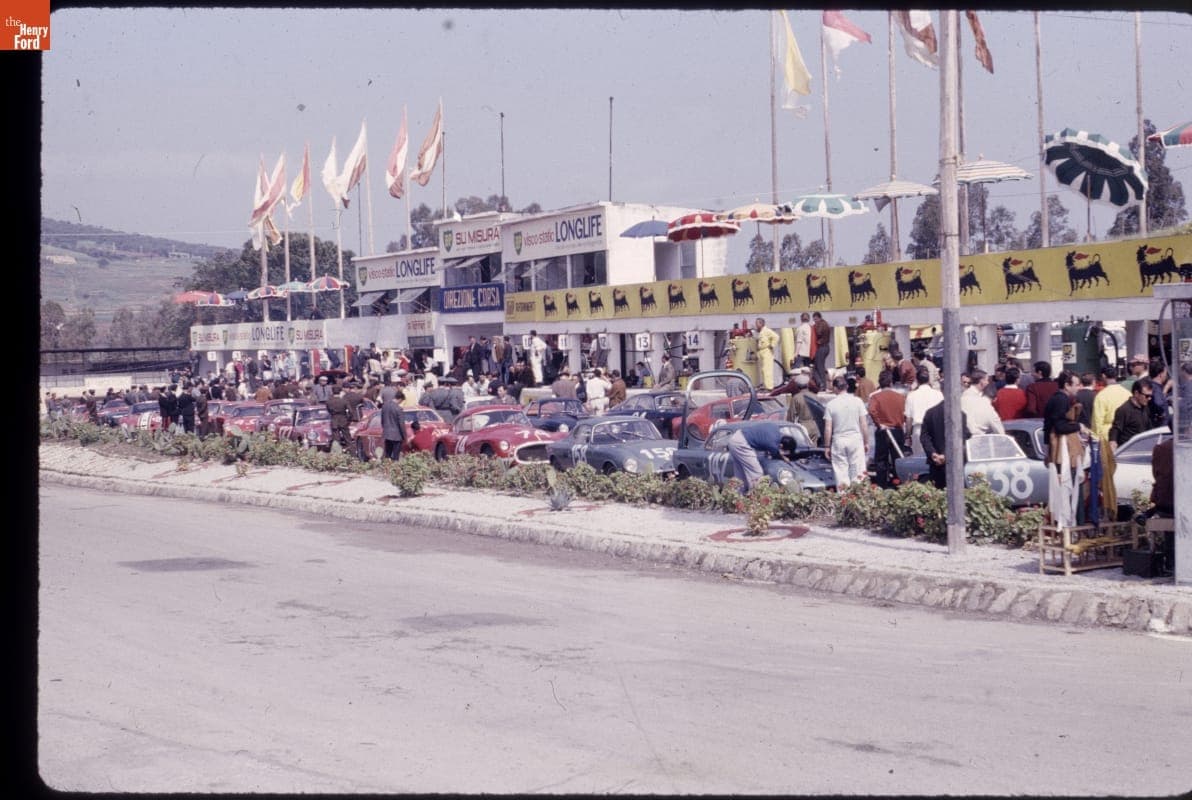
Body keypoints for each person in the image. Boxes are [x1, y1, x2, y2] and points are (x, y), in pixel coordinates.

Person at [1042, 371, 1087, 529]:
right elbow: (1060, 426)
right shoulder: (1061, 400)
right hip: (1063, 452)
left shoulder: (1057, 399)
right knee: (1071, 488)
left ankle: (1069, 523)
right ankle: (1072, 525)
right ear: (1067, 385)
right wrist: (1078, 426)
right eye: (1076, 384)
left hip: (1060, 451)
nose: (1079, 387)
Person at [823, 375, 869, 489]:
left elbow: (828, 428)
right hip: (855, 438)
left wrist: (827, 446)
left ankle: (843, 496)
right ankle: (858, 495)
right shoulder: (857, 401)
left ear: (834, 388)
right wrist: (866, 442)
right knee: (858, 471)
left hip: (839, 439)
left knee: (841, 473)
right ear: (847, 386)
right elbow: (864, 424)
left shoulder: (831, 405)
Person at [725, 426, 799, 495]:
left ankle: (739, 495)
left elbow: (763, 442)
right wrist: (784, 458)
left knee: (741, 473)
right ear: (781, 446)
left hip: (735, 438)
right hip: (741, 443)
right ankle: (757, 497)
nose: (783, 453)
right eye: (784, 451)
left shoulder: (775, 430)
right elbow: (775, 454)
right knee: (757, 472)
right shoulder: (772, 444)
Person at [866, 370, 906, 489]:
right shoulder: (900, 397)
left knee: (881, 460)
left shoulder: (875, 397)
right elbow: (905, 413)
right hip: (897, 429)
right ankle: (898, 484)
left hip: (883, 431)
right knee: (897, 459)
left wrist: (879, 424)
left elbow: (871, 410)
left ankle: (881, 485)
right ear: (891, 383)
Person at [920, 400, 969, 489]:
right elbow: (962, 438)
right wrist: (946, 455)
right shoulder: (960, 414)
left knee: (938, 493)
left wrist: (932, 453)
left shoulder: (930, 412)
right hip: (955, 463)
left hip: (936, 463)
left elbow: (924, 437)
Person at [766, 369, 820, 445]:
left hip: (803, 426)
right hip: (815, 426)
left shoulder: (796, 397)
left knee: (803, 446)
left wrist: (789, 427)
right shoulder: (815, 396)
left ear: (797, 385)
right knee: (814, 446)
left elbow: (791, 416)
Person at [903, 366, 943, 457]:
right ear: (928, 380)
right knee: (936, 457)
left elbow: (908, 419)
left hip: (919, 429)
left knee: (919, 458)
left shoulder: (911, 396)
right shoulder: (938, 394)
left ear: (917, 380)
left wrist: (908, 436)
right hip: (936, 429)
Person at [1108, 377, 1156, 452]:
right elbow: (1115, 430)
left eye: (1151, 396)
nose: (1149, 398)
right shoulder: (1124, 410)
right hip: (1128, 452)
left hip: (1143, 450)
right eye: (1147, 396)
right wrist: (1113, 444)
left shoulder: (1146, 408)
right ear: (1136, 393)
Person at [1091, 365, 1129, 443]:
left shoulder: (1101, 396)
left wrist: (1095, 436)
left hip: (1107, 435)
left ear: (1103, 376)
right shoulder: (1127, 393)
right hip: (1125, 433)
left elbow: (1097, 420)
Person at [960, 369, 1005, 436]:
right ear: (981, 381)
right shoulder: (982, 401)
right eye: (987, 380)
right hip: (979, 436)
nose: (988, 382)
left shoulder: (963, 396)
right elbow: (995, 421)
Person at [753, 317, 780, 390]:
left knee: (767, 370)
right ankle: (765, 386)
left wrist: (772, 345)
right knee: (763, 371)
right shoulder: (761, 332)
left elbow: (776, 337)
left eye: (757, 323)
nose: (756, 325)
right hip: (761, 352)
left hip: (766, 352)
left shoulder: (767, 330)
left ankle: (769, 388)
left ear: (761, 324)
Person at [381, 389, 408, 460]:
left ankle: (387, 465)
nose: (401, 403)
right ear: (400, 399)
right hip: (397, 436)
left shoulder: (385, 406)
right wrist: (405, 437)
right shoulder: (398, 409)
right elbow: (401, 424)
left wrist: (385, 430)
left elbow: (382, 421)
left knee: (387, 455)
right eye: (401, 401)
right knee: (396, 456)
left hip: (387, 434)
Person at [325, 385, 352, 450]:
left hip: (334, 419)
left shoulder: (329, 401)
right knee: (347, 437)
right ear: (340, 392)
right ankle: (350, 449)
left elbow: (328, 410)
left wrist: (333, 414)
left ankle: (337, 451)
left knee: (336, 438)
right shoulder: (344, 401)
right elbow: (350, 411)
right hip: (343, 419)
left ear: (332, 391)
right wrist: (348, 419)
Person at [811, 311, 831, 392]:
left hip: (822, 347)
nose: (815, 321)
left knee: (819, 367)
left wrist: (814, 327)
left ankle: (822, 385)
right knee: (816, 367)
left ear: (819, 318)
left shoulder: (821, 324)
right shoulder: (825, 323)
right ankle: (820, 383)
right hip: (826, 347)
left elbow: (819, 332)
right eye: (814, 319)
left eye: (815, 319)